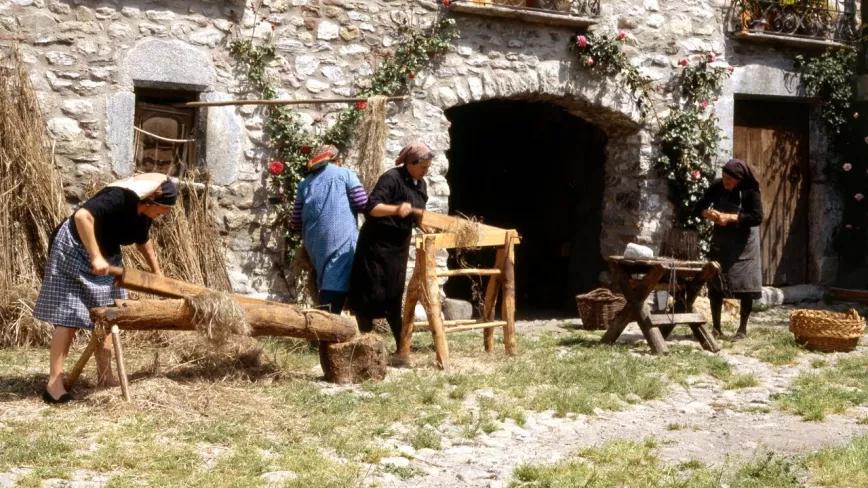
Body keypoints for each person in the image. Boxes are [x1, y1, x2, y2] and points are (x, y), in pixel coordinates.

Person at [34, 173, 177, 403]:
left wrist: (157, 273)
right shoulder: (118, 197)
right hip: (73, 249)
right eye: (164, 209)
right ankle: (54, 384)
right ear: (152, 201)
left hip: (106, 256)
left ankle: (105, 377)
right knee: (69, 316)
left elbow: (143, 242)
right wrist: (95, 257)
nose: (165, 215)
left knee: (109, 315)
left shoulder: (144, 217)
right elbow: (82, 216)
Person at [348, 142, 432, 360]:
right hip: (376, 246)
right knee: (369, 293)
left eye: (427, 167)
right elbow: (371, 208)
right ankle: (366, 348)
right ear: (410, 163)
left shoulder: (420, 184)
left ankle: (402, 349)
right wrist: (396, 209)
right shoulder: (391, 178)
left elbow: (417, 214)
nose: (426, 171)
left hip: (398, 248)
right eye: (423, 166)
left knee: (394, 295)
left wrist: (423, 226)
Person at [290, 144, 368, 314]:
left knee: (326, 278)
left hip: (314, 242)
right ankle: (326, 324)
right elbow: (363, 203)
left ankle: (332, 319)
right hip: (339, 237)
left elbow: (295, 221)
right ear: (336, 159)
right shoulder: (345, 174)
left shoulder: (305, 184)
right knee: (335, 279)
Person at [698, 159, 764, 340]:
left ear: (739, 179)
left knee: (746, 286)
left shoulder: (750, 191)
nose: (725, 181)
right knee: (716, 282)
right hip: (722, 240)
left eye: (729, 179)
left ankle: (742, 329)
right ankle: (716, 328)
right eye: (724, 177)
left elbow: (757, 217)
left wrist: (731, 217)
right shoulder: (717, 186)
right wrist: (707, 213)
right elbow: (700, 206)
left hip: (745, 243)